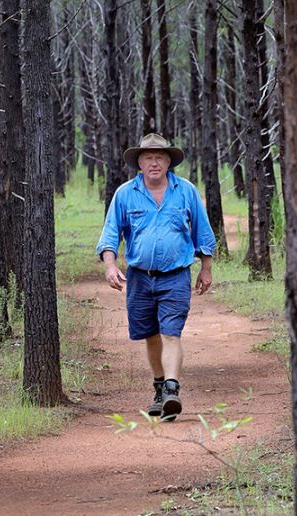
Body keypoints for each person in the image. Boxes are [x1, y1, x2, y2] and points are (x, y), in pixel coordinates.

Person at [95, 133, 216, 421]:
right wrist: (110, 266)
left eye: (159, 157)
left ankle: (173, 389)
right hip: (139, 277)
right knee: (150, 336)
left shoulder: (185, 191)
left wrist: (206, 267)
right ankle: (160, 388)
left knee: (171, 333)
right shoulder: (125, 194)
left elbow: (203, 230)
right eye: (148, 157)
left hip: (176, 276)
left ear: (168, 162)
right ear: (139, 162)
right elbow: (110, 234)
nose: (154, 163)